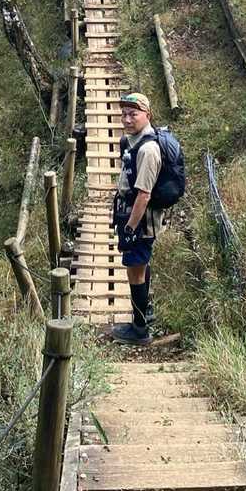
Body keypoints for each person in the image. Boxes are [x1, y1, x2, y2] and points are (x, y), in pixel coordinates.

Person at [110, 92, 161, 345]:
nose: (127, 119)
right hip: (134, 217)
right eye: (124, 114)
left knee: (135, 270)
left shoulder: (148, 150)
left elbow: (144, 194)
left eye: (133, 114)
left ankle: (139, 330)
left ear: (147, 115)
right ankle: (145, 312)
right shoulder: (134, 141)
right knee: (140, 264)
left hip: (140, 221)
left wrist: (130, 228)